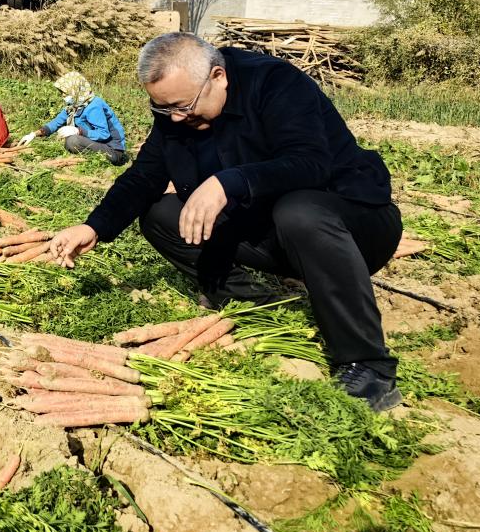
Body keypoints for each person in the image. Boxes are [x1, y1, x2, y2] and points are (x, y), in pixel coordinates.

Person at [47, 32, 404, 411]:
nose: (177, 117)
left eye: (183, 106)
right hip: (276, 234)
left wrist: (228, 182)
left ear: (218, 77)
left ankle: (368, 365)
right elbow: (144, 176)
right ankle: (255, 304)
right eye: (164, 109)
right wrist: (94, 226)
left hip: (351, 229)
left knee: (298, 211)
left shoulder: (275, 83)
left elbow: (310, 164)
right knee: (161, 214)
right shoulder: (177, 113)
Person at [19, 71, 129, 165]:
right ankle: (90, 158)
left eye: (65, 93)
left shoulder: (94, 106)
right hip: (97, 145)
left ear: (75, 89)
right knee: (70, 142)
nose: (63, 96)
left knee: (73, 140)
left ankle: (95, 159)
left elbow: (104, 134)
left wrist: (79, 131)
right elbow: (56, 123)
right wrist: (34, 134)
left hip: (112, 150)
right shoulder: (74, 106)